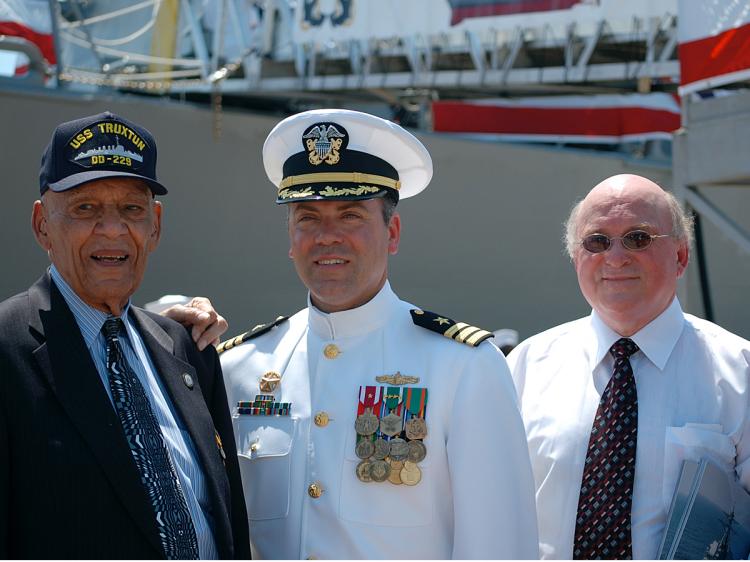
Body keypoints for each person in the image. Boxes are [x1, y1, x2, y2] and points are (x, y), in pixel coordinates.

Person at [218, 108, 539, 559]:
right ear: (290, 237)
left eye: (350, 216)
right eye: (307, 217)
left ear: (393, 232)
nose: (327, 236)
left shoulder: (464, 366)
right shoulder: (238, 367)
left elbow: (500, 544)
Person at [0, 111, 250, 559]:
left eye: (131, 209)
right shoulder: (7, 350)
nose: (113, 229)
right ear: (42, 225)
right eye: (85, 208)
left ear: (155, 226)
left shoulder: (185, 350)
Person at [507, 174, 750, 559]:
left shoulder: (741, 372)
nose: (616, 257)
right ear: (576, 258)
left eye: (639, 238)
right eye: (597, 241)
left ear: (681, 256)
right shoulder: (524, 366)